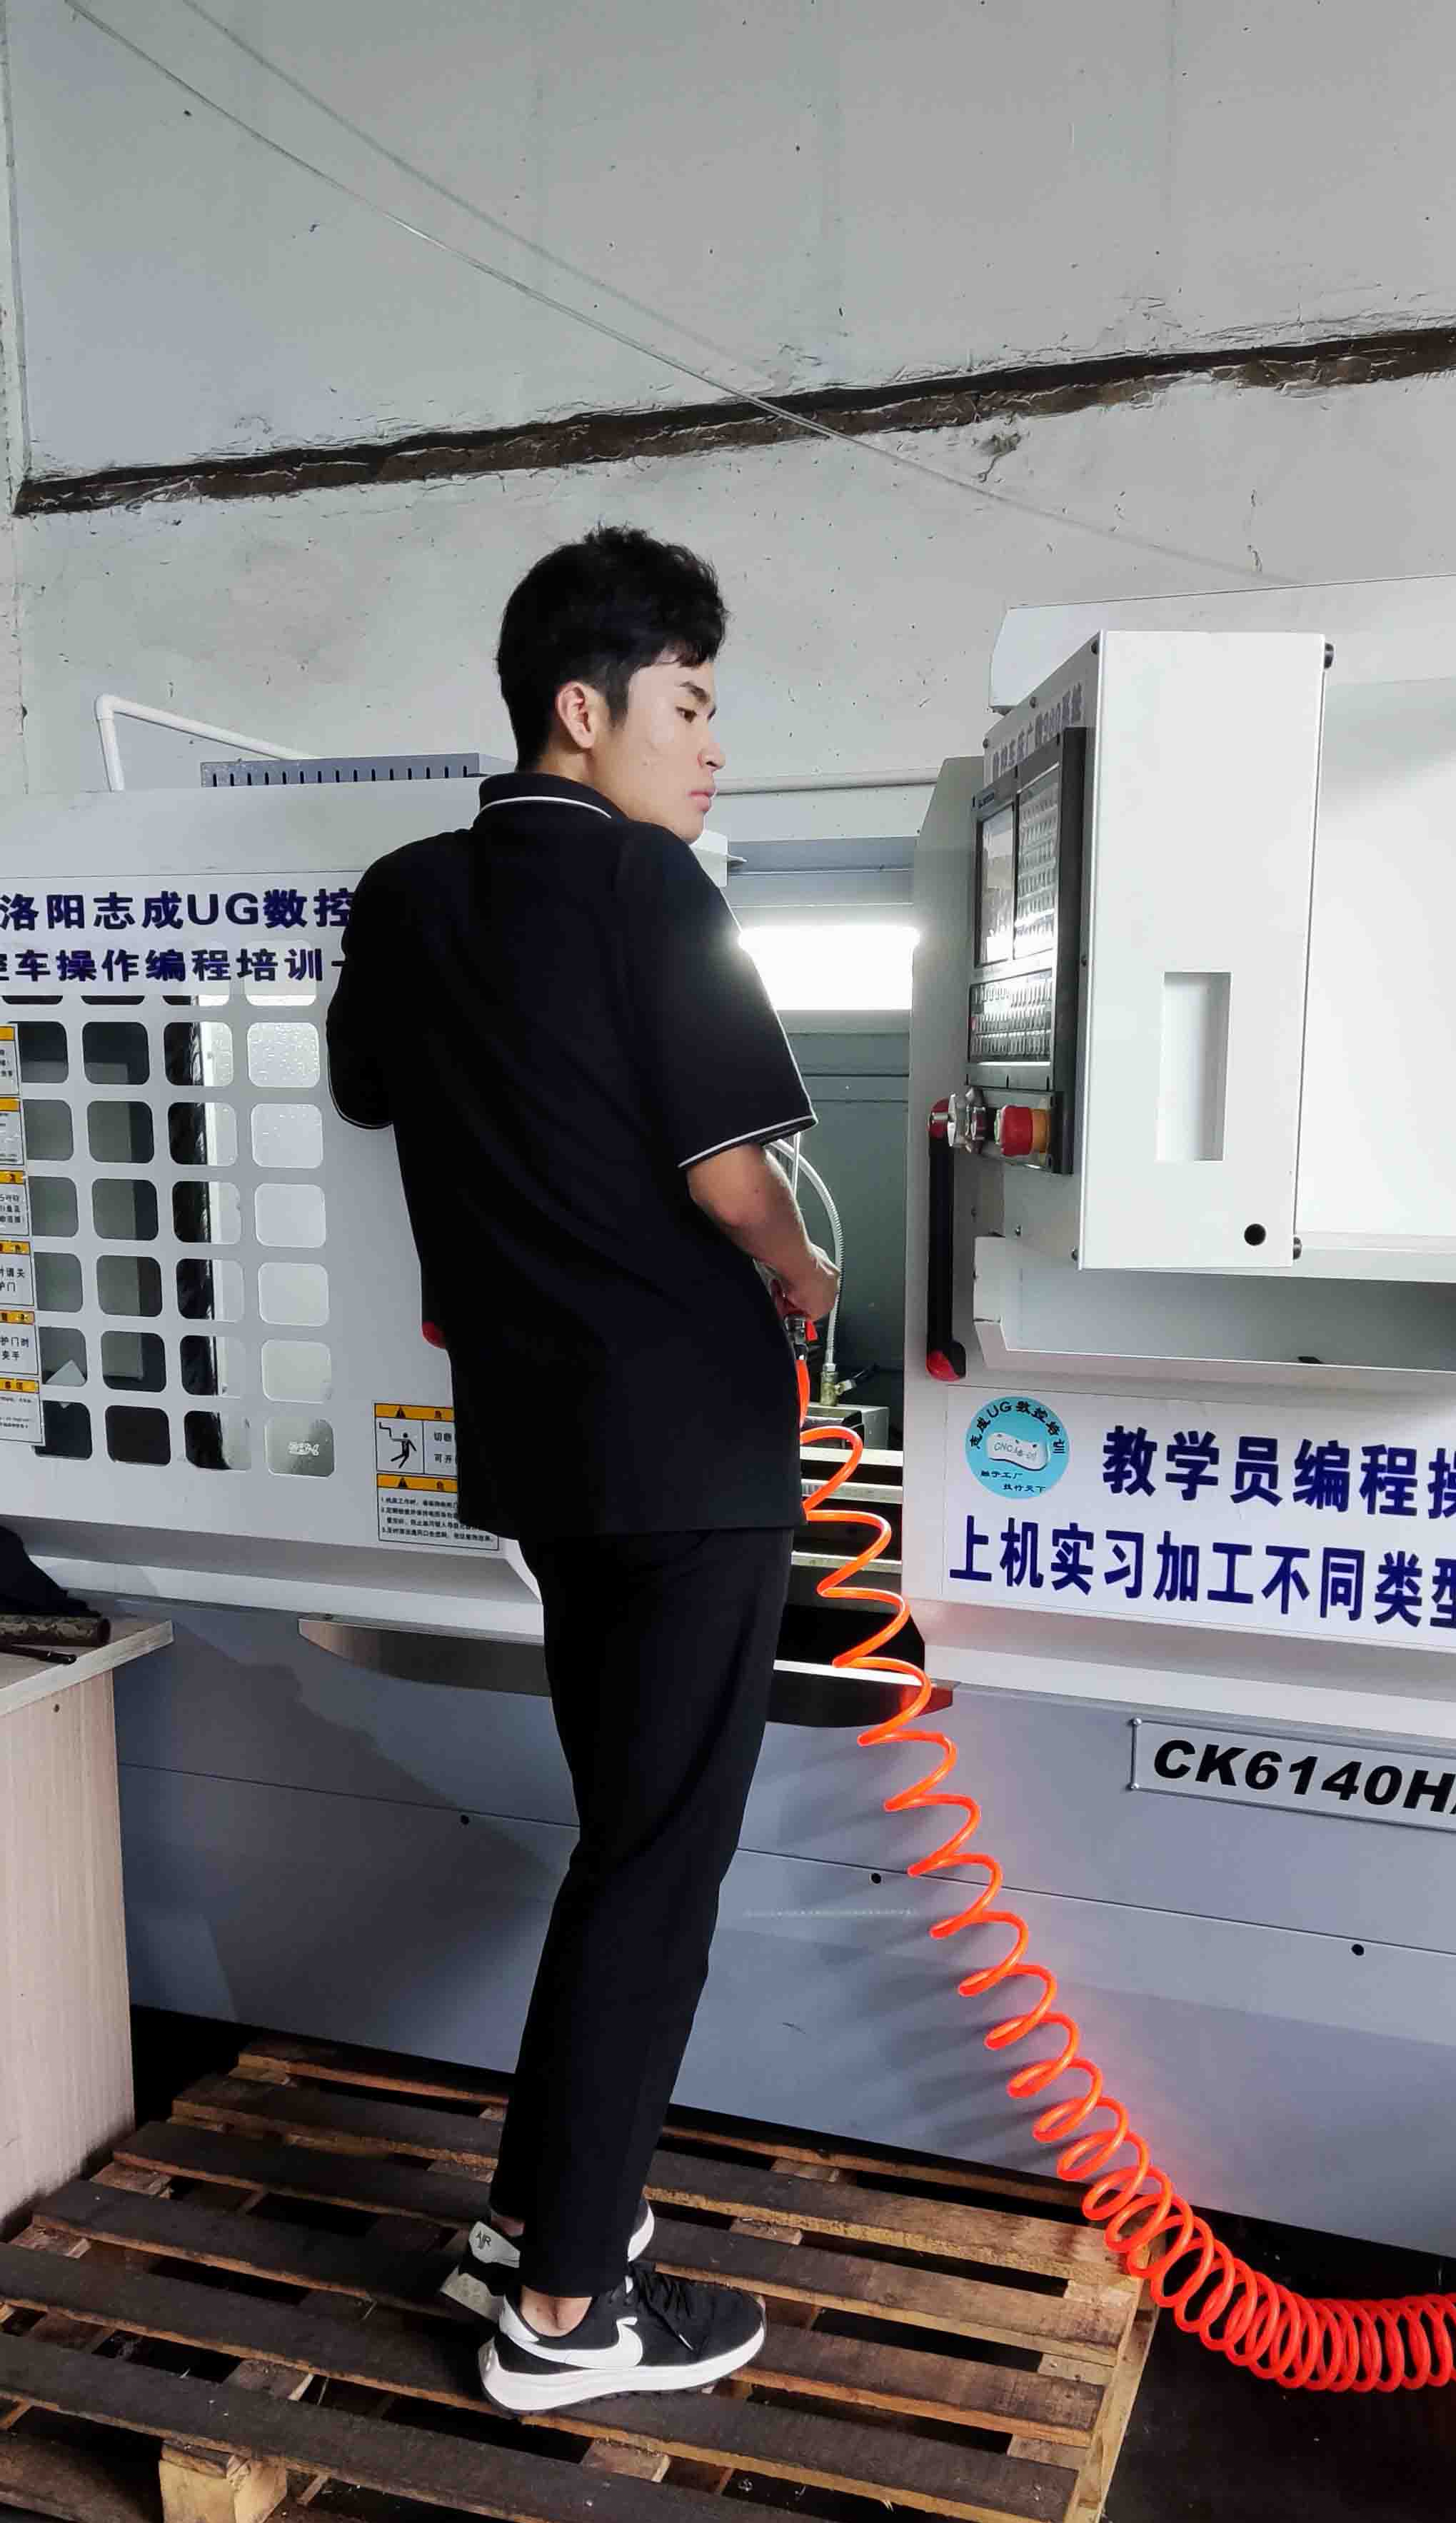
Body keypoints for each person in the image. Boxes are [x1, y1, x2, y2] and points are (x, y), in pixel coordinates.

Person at [326, 523, 838, 2414]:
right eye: (687, 706)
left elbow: (369, 1090)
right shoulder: (648, 886)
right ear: (582, 708)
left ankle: (541, 2222)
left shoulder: (404, 894)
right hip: (692, 1447)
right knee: (657, 1864)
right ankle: (566, 2318)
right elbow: (730, 1175)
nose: (710, 747)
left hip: (544, 1454)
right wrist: (805, 1270)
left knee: (620, 1844)